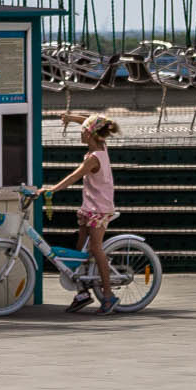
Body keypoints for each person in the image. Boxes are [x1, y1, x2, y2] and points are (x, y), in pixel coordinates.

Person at [45, 111, 121, 313]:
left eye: (82, 130)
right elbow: (92, 122)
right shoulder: (100, 145)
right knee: (80, 251)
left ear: (88, 135)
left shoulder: (94, 159)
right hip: (89, 207)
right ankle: (82, 292)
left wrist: (51, 189)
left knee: (96, 248)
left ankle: (108, 295)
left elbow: (73, 176)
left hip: (100, 209)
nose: (80, 133)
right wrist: (71, 118)